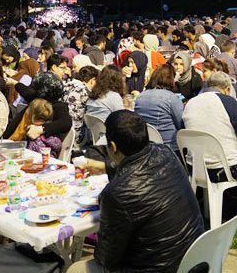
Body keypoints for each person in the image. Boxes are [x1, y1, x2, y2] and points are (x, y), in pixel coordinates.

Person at [67, 110, 204, 273]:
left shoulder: (117, 193)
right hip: (196, 259)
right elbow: (137, 164)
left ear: (113, 146)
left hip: (160, 267)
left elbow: (106, 259)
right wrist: (104, 166)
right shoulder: (166, 153)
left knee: (76, 268)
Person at [133, 63, 185, 152]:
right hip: (168, 148)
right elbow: (181, 125)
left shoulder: (140, 97)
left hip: (145, 146)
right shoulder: (171, 98)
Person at [62, 65, 99, 146]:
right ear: (93, 80)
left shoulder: (66, 86)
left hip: (63, 130)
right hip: (77, 135)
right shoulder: (84, 92)